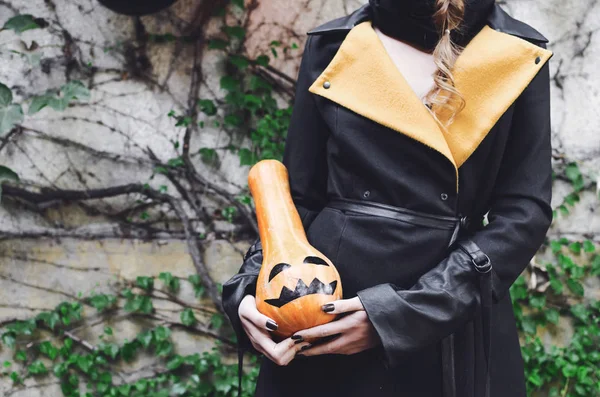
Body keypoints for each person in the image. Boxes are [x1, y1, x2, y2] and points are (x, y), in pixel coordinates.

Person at [222, 1, 554, 396]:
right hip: (327, 317)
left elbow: (524, 212)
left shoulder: (517, 50)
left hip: (446, 314)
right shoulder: (334, 44)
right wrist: (253, 287)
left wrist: (403, 316)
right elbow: (299, 199)